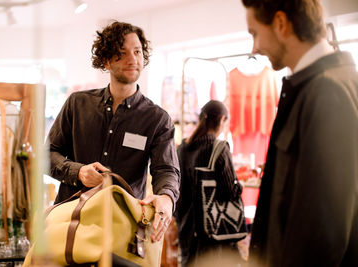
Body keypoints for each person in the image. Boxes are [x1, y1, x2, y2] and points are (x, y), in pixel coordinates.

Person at [241, 0, 358, 266]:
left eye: (255, 33)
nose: (254, 47)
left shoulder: (328, 92)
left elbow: (324, 232)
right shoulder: (313, 87)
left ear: (281, 24)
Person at [47, 21, 180, 243]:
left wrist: (166, 198)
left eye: (137, 51)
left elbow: (167, 170)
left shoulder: (157, 120)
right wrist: (79, 172)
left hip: (121, 231)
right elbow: (47, 155)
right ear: (106, 61)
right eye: (122, 53)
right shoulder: (77, 104)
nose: (133, 59)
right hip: (71, 226)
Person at [176, 100, 244, 266]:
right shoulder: (219, 149)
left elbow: (178, 186)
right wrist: (239, 185)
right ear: (222, 120)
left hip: (186, 227)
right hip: (212, 231)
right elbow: (230, 190)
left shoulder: (182, 148)